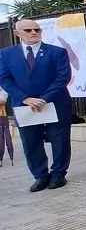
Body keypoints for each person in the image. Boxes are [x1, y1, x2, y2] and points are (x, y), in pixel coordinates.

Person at [0, 19, 73, 192]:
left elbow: (63, 77)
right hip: (24, 105)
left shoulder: (57, 52)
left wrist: (44, 98)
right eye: (28, 30)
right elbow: (4, 78)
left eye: (37, 30)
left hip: (55, 102)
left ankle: (58, 174)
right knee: (31, 141)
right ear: (17, 33)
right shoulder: (6, 54)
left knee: (59, 139)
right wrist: (25, 98)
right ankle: (40, 176)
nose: (34, 32)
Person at [0, 86, 14, 166]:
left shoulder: (3, 91)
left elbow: (3, 101)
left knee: (4, 139)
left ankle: (5, 157)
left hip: (3, 117)